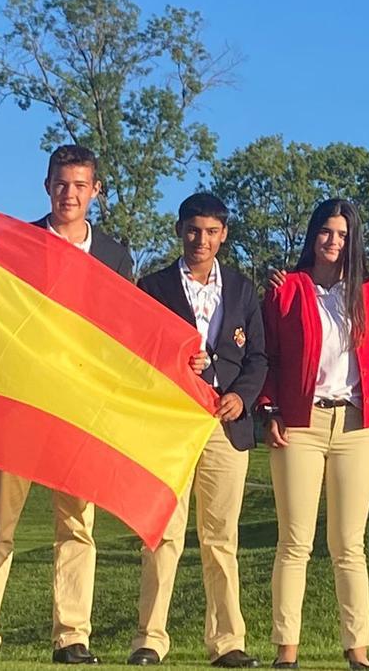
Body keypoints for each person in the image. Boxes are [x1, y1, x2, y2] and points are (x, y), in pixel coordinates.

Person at [0, 144, 134, 665]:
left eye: (80, 185)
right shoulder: (18, 242)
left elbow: (125, 331)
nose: (70, 194)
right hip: (20, 404)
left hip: (81, 407)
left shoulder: (116, 256)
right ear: (46, 186)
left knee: (78, 526)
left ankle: (72, 637)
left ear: (95, 191)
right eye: (61, 184)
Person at [128, 192, 268, 669]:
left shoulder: (244, 291)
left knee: (221, 539)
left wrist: (241, 396)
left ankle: (228, 642)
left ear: (223, 235)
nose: (201, 240)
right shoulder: (153, 286)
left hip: (225, 426)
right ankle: (149, 639)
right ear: (179, 230)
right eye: (193, 230)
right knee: (163, 535)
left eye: (211, 232)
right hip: (171, 422)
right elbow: (139, 355)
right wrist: (174, 366)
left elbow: (259, 358)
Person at [257, 199, 369, 671]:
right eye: (327, 232)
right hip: (299, 424)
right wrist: (268, 408)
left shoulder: (367, 292)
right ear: (313, 235)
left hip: (354, 425)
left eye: (344, 234)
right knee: (295, 542)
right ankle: (286, 650)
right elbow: (270, 354)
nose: (334, 241)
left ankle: (358, 651)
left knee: (349, 545)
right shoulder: (286, 288)